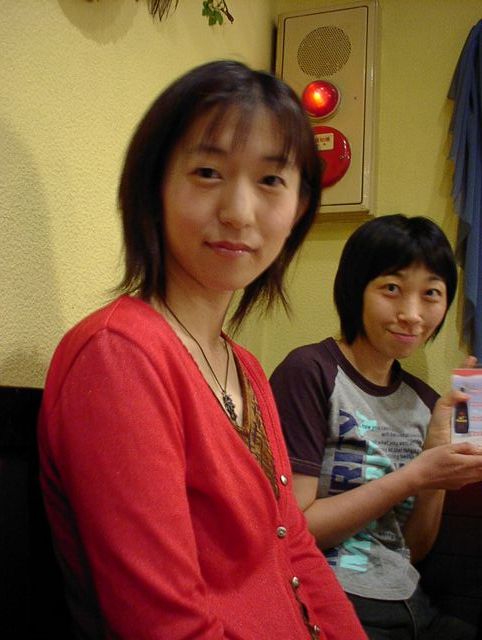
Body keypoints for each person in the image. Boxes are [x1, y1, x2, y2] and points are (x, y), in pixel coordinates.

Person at [37, 60, 367, 640]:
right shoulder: (119, 358)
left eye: (271, 181)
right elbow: (163, 625)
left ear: (298, 208)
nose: (238, 212)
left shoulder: (246, 368)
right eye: (208, 172)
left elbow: (295, 550)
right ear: (155, 187)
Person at [270, 214, 482, 640]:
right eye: (391, 289)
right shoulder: (310, 371)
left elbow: (412, 549)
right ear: (355, 289)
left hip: (412, 604)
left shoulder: (425, 401)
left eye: (431, 294)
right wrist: (415, 475)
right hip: (329, 596)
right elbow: (297, 528)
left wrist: (435, 466)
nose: (412, 315)